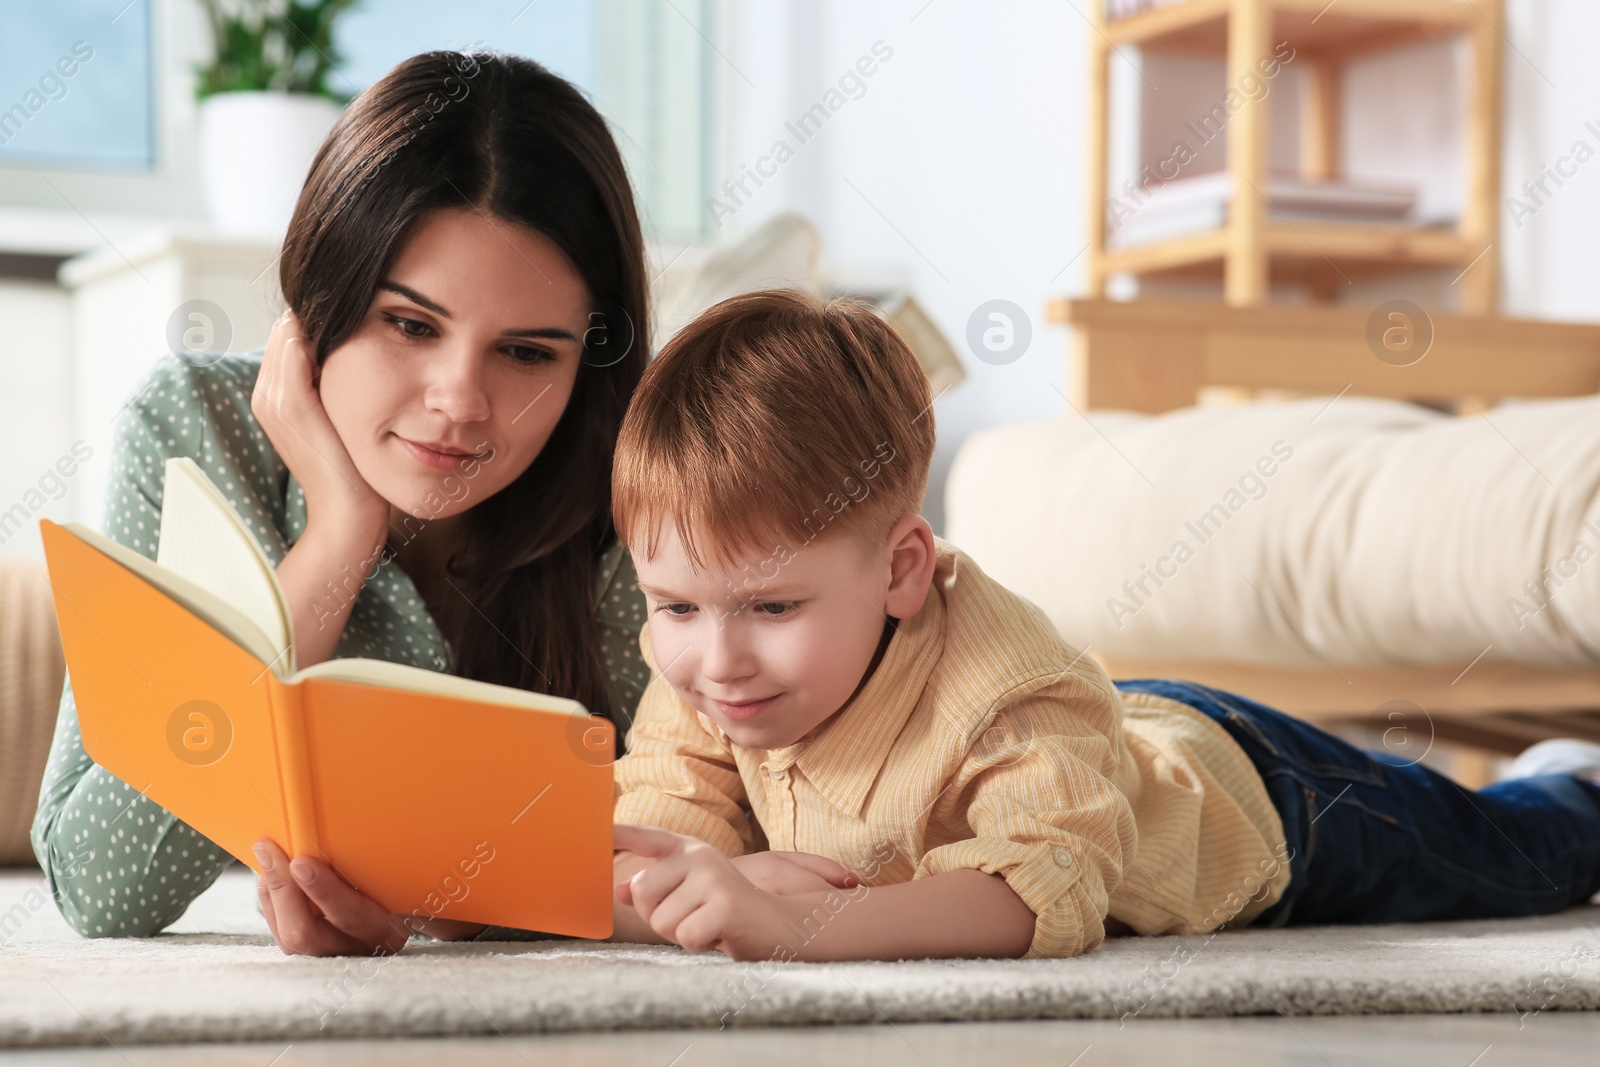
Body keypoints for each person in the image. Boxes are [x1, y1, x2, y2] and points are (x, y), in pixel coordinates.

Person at [603, 288, 1600, 961]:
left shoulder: (1000, 683)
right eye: (674, 604)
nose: (715, 657)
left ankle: (1573, 787)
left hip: (1261, 801)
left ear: (901, 568)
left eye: (773, 606)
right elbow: (657, 839)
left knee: (1514, 857)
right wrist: (696, 881)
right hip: (1113, 735)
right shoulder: (701, 665)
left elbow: (1041, 893)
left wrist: (796, 920)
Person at [30, 50, 656, 952]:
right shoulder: (191, 428)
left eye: (526, 352)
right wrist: (338, 536)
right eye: (409, 324)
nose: (460, 401)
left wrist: (452, 906)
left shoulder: (635, 485)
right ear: (315, 301)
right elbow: (99, 884)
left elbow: (698, 834)